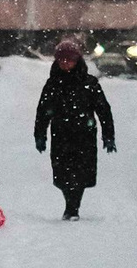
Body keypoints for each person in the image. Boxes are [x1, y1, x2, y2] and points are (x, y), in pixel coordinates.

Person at [35, 36, 117, 219]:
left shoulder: (89, 83)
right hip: (60, 135)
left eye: (69, 59)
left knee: (80, 174)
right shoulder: (52, 84)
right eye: (61, 59)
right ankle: (70, 204)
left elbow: (103, 110)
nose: (65, 63)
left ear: (77, 60)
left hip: (84, 136)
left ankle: (73, 208)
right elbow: (43, 112)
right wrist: (40, 135)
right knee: (62, 174)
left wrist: (108, 136)